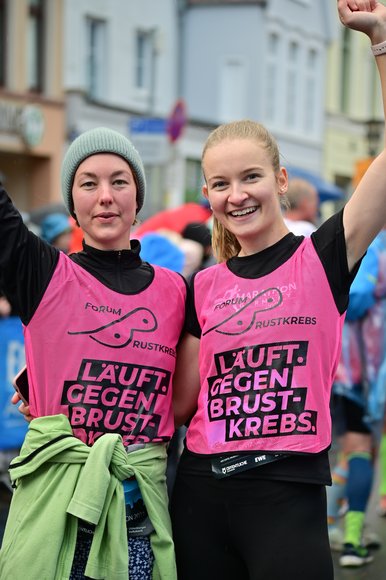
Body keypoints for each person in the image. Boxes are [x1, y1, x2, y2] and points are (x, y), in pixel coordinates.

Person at [170, 2, 386, 578]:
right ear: (208, 194)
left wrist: (381, 43)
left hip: (286, 495)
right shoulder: (202, 285)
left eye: (250, 177)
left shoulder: (322, 258)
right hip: (199, 495)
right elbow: (175, 402)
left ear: (281, 180)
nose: (236, 194)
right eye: (221, 183)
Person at [0, 127, 186, 579]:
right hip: (55, 515)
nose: (105, 196)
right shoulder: (42, 273)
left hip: (138, 520)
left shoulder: (178, 292)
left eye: (119, 181)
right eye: (89, 183)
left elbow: (189, 401)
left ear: (138, 198)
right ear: (72, 206)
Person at [327, 228, 386, 566]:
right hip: (371, 370)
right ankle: (350, 532)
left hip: (360, 367)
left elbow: (358, 294)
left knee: (357, 447)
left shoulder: (372, 246)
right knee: (364, 446)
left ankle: (348, 536)